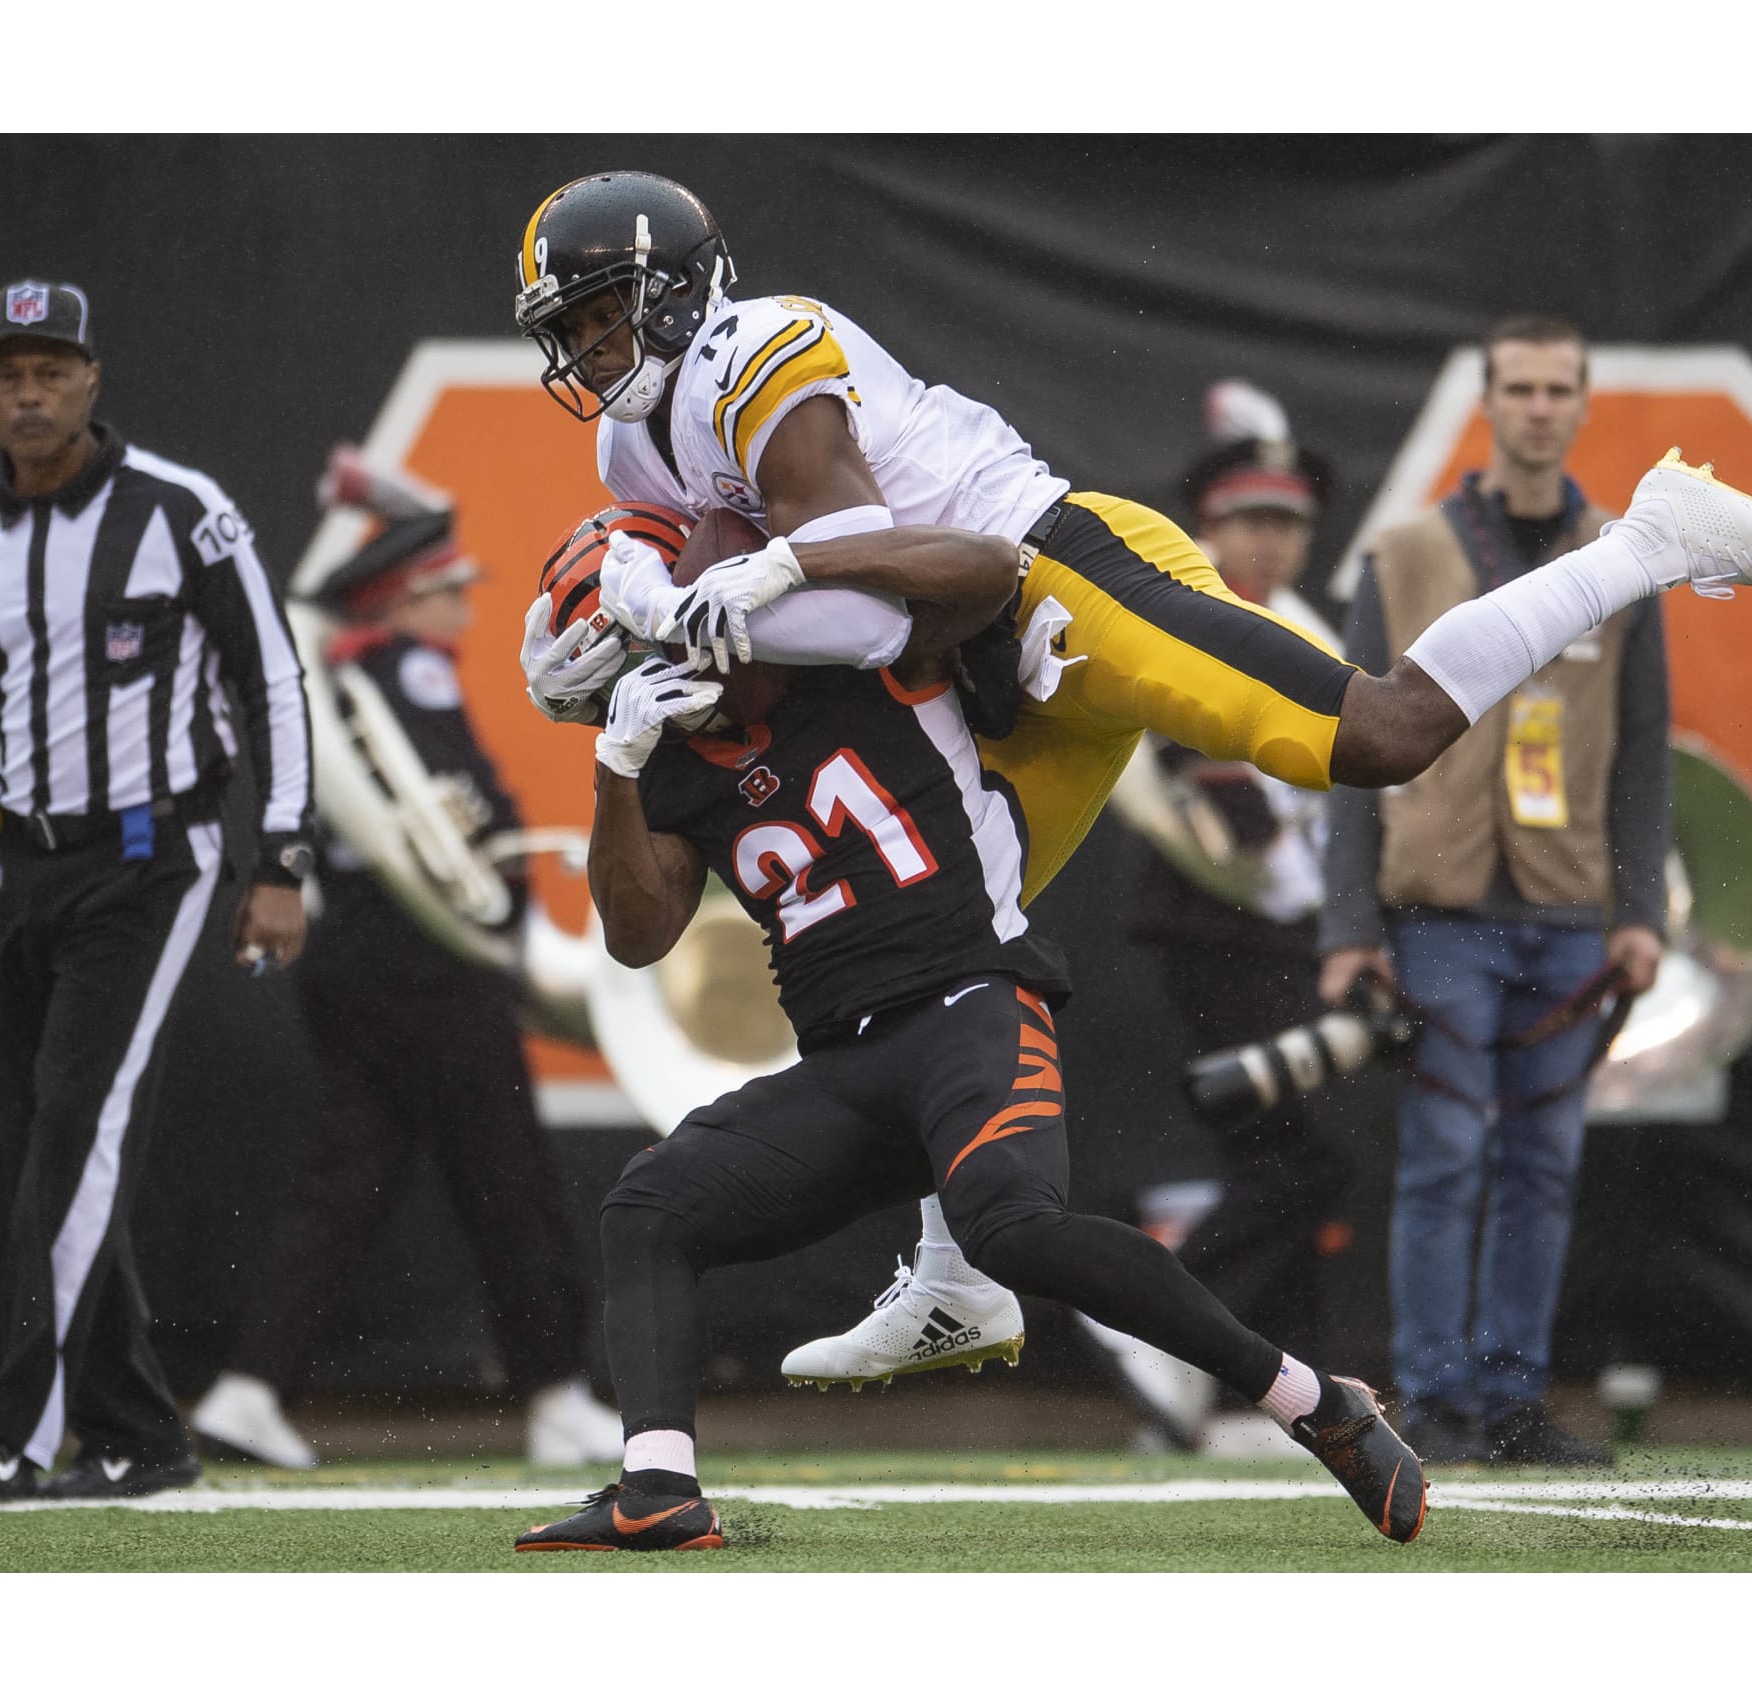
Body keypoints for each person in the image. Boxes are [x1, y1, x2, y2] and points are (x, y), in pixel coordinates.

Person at [509, 170, 1752, 1385]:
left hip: (1055, 580)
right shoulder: (630, 446)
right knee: (929, 939)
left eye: (607, 315)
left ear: (682, 289)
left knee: (1378, 731)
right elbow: (709, 581)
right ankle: (960, 1277)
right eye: (571, 328)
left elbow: (858, 609)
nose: (590, 350)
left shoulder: (757, 352)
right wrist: (618, 624)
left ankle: (1653, 538)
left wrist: (702, 609)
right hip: (979, 669)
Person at [508, 517, 1428, 1552]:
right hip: (847, 1061)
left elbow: (990, 571)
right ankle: (658, 1487)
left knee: (1011, 1227)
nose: (643, 697)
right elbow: (636, 937)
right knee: (649, 1206)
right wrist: (619, 765)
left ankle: (1315, 1403)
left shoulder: (857, 651)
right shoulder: (670, 768)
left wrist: (794, 567)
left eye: (634, 672)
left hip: (969, 1005)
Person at [0, 280, 313, 1502]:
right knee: (47, 1153)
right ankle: (139, 1433)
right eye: (8, 374)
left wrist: (282, 857)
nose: (31, 394)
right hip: (14, 869)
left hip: (151, 858)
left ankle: (18, 1426)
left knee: (76, 1137)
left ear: (92, 379)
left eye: (53, 370)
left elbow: (273, 682)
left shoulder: (181, 511)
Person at [187, 452, 622, 1472]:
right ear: (403, 600)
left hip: (354, 957)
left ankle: (250, 1390)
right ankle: (557, 1395)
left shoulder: (347, 683)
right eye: (447, 590)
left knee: (347, 1182)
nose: (464, 606)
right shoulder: (407, 673)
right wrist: (508, 907)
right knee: (507, 1180)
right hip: (431, 962)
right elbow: (469, 818)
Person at [1312, 316, 1667, 1468]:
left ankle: (1513, 1403)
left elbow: (1643, 751)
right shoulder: (1406, 551)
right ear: (1488, 401)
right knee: (1446, 1159)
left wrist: (1641, 912)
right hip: (1441, 910)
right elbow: (1349, 746)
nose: (1539, 407)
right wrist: (1349, 925)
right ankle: (1434, 1401)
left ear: (1583, 402)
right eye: (1519, 387)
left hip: (1566, 912)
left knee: (1542, 1166)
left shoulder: (1626, 556)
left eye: (1558, 388)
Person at [1089, 382, 1361, 1448]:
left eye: (1288, 521)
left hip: (1288, 925)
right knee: (1309, 1150)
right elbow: (1205, 778)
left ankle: (1266, 1387)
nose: (1271, 539)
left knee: (1276, 1154)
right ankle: (1153, 1324)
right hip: (1219, 919)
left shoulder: (1298, 619)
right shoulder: (1183, 601)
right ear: (1210, 521)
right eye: (1251, 518)